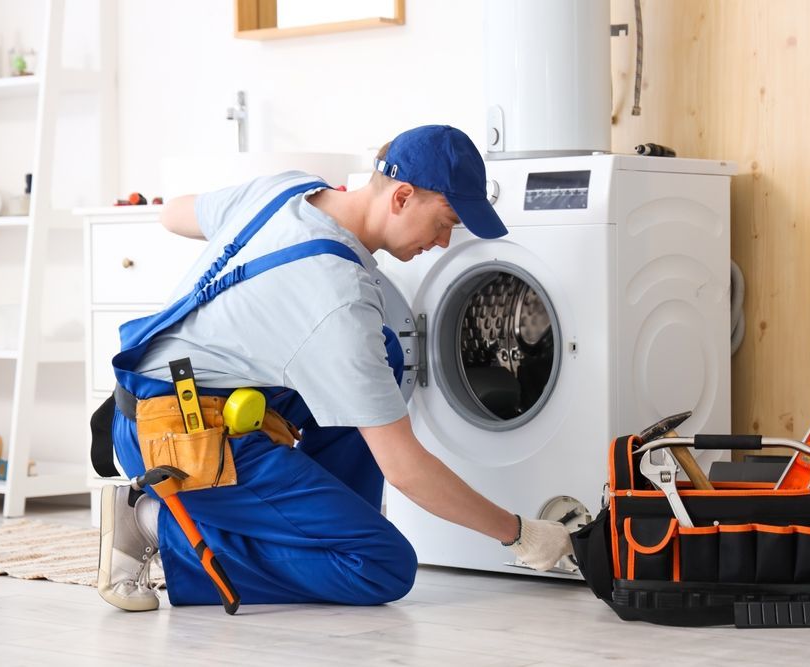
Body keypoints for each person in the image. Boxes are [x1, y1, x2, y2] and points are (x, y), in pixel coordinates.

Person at [97, 124, 575, 612]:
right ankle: (155, 522)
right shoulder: (339, 298)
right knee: (380, 565)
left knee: (386, 352)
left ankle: (317, 525)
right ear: (403, 197)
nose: (444, 241)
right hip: (180, 442)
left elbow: (174, 213)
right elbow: (405, 469)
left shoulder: (286, 189)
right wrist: (518, 534)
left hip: (167, 399)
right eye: (445, 221)